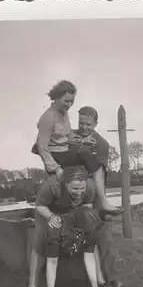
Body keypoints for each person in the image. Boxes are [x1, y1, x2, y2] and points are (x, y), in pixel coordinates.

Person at [32, 79, 122, 215]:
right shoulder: (48, 117)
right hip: (56, 155)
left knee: (92, 161)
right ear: (56, 97)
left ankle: (98, 204)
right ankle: (103, 202)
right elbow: (42, 147)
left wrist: (82, 141)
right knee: (87, 156)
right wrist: (56, 169)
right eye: (66, 101)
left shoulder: (63, 112)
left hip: (64, 150)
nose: (69, 105)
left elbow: (67, 135)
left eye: (71, 101)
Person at [29, 166, 105, 287]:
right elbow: (39, 205)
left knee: (90, 243)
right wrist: (51, 217)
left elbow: (86, 207)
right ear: (65, 184)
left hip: (74, 213)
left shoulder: (89, 186)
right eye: (75, 189)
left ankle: (98, 285)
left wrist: (79, 226)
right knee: (40, 246)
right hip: (48, 210)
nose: (79, 192)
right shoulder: (51, 186)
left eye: (81, 188)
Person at [74, 105, 122, 287]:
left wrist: (100, 200)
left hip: (95, 193)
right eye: (81, 123)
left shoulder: (102, 144)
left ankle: (111, 278)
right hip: (75, 192)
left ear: (96, 123)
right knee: (85, 235)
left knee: (104, 235)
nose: (84, 127)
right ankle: (93, 280)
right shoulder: (71, 136)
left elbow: (97, 172)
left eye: (88, 124)